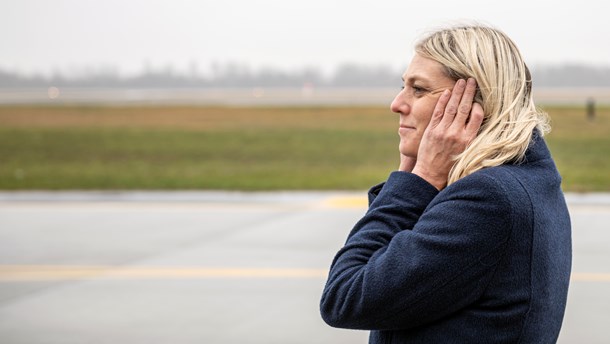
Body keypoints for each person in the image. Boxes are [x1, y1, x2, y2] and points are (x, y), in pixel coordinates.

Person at [320, 24, 572, 343]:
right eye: (403, 87)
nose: (397, 104)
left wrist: (416, 181)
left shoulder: (487, 200)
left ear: (473, 103)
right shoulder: (526, 181)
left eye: (419, 89)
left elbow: (345, 297)